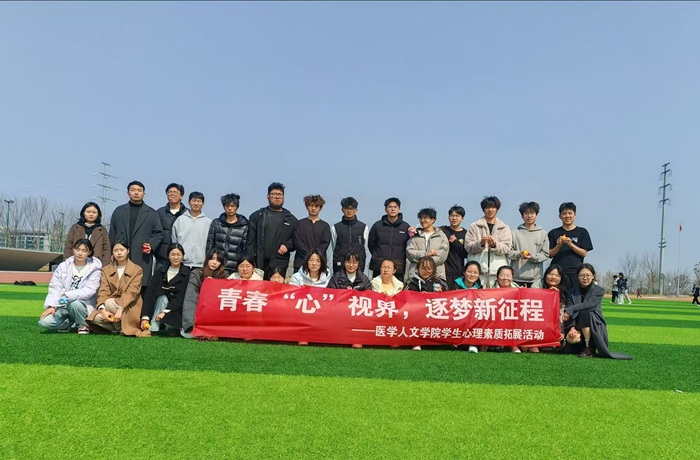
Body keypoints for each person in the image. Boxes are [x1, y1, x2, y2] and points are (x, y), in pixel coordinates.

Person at [561, 263, 632, 359]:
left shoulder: (599, 290)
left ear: (593, 276)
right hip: (575, 321)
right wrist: (572, 327)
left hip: (593, 321)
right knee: (570, 345)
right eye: (582, 275)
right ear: (577, 276)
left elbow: (588, 304)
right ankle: (578, 341)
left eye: (588, 275)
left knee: (584, 312)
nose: (585, 278)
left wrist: (570, 310)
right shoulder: (572, 292)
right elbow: (569, 307)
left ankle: (589, 346)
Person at [108, 181, 164, 293]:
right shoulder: (119, 211)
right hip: (121, 255)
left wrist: (151, 245)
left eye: (139, 190)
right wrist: (111, 252)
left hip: (142, 256)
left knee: (141, 287)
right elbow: (112, 233)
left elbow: (158, 233)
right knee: (119, 286)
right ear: (128, 193)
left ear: (144, 194)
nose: (136, 193)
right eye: (133, 190)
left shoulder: (152, 213)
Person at [85, 240, 149, 337]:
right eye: (115, 250)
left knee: (109, 303)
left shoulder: (137, 269)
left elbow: (132, 292)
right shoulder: (106, 270)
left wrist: (120, 308)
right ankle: (121, 327)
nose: (119, 253)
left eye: (122, 250)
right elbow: (103, 291)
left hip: (129, 304)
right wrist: (102, 310)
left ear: (128, 251)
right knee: (96, 318)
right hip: (111, 307)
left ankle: (122, 327)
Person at [40, 238, 102, 334]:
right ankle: (67, 324)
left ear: (89, 252)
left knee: (75, 304)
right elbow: (55, 287)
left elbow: (89, 290)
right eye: (78, 249)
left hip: (82, 305)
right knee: (45, 322)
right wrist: (52, 306)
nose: (80, 253)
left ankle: (82, 325)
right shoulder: (63, 266)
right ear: (73, 249)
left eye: (84, 250)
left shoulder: (95, 269)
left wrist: (67, 295)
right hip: (62, 304)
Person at [247, 182, 297, 273]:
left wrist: (287, 245)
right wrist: (250, 262)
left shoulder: (291, 219)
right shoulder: (257, 216)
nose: (277, 197)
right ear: (268, 196)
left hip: (279, 263)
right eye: (274, 194)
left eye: (280, 194)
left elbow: (296, 240)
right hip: (258, 263)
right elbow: (250, 242)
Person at [141, 243, 191, 334]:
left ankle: (168, 326)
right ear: (168, 256)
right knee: (162, 298)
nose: (176, 257)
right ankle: (154, 327)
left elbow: (182, 297)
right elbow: (149, 294)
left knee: (171, 324)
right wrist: (145, 317)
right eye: (173, 254)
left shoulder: (187, 274)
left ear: (183, 256)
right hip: (159, 306)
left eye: (178, 255)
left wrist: (165, 311)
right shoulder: (160, 272)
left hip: (176, 309)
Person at [465, 196, 513, 288]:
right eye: (487, 207)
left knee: (496, 296)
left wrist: (495, 245)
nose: (490, 210)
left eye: (493, 207)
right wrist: (480, 243)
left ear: (497, 209)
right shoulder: (474, 226)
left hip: (497, 272)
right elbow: (468, 246)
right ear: (483, 209)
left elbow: (507, 248)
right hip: (478, 272)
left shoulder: (504, 227)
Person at [180, 249, 228, 339]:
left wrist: (214, 286)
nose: (214, 262)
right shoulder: (197, 274)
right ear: (207, 259)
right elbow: (190, 299)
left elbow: (224, 300)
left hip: (215, 313)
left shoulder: (225, 275)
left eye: (218, 260)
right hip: (199, 311)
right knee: (187, 334)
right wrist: (191, 324)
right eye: (212, 259)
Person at [548, 202, 593, 290]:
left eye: (570, 213)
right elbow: (550, 254)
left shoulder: (582, 232)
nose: (567, 216)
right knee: (557, 296)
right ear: (560, 216)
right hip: (557, 273)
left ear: (575, 215)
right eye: (564, 213)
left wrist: (571, 244)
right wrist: (558, 245)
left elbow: (584, 253)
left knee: (575, 296)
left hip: (575, 272)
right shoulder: (553, 233)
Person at [507, 202, 549, 288]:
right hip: (516, 278)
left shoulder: (543, 233)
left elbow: (545, 254)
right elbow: (508, 252)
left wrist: (532, 256)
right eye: (526, 213)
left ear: (536, 215)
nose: (529, 216)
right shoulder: (514, 233)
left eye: (532, 213)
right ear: (522, 216)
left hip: (536, 279)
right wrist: (519, 254)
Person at [368, 197, 410, 280]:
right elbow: (371, 244)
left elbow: (408, 246)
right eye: (390, 207)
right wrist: (377, 256)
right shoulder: (377, 226)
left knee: (397, 288)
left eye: (395, 207)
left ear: (399, 209)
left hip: (398, 267)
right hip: (379, 267)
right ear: (385, 209)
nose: (393, 209)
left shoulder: (405, 227)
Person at [207, 193, 249, 272]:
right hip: (217, 266)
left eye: (232, 206)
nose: (229, 208)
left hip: (235, 268)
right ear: (224, 207)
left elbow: (245, 249)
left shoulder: (244, 226)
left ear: (237, 207)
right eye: (227, 206)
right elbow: (210, 245)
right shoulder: (216, 223)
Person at [405, 207, 449, 283]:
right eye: (421, 218)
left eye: (426, 218)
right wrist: (425, 254)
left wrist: (426, 265)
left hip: (437, 275)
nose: (423, 220)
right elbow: (409, 253)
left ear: (433, 220)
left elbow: (442, 256)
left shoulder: (441, 236)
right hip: (416, 275)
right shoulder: (415, 235)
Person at [63, 202, 111, 267]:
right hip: (75, 263)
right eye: (88, 212)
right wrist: (67, 261)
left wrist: (104, 265)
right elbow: (68, 245)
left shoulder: (102, 230)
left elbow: (107, 249)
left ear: (98, 214)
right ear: (83, 213)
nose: (91, 214)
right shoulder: (75, 227)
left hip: (95, 265)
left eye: (94, 212)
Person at [172, 191, 212, 270]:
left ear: (203, 204)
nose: (196, 203)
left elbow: (210, 243)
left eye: (199, 201)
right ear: (189, 202)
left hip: (201, 264)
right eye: (194, 201)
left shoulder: (208, 222)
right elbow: (174, 240)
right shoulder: (180, 220)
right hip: (182, 263)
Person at [330, 197, 369, 274]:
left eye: (352, 208)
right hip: (340, 265)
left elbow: (365, 247)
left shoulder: (363, 227)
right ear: (342, 210)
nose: (349, 211)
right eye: (346, 208)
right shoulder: (335, 227)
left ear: (356, 210)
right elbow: (334, 246)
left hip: (358, 264)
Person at [293, 194, 331, 272]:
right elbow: (297, 242)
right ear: (307, 207)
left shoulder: (325, 226)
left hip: (319, 263)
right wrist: (309, 255)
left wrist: (315, 256)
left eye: (316, 206)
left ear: (320, 208)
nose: (313, 208)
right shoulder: (299, 224)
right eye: (311, 205)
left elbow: (325, 244)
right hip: (301, 262)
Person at [155, 183, 188, 270]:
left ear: (181, 196)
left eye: (175, 192)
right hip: (162, 256)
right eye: (169, 192)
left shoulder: (187, 214)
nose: (172, 194)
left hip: (182, 257)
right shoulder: (159, 212)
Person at [452, 260, 483, 353]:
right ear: (464, 272)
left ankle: (473, 344)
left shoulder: (480, 287)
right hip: (457, 315)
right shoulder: (454, 284)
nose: (472, 275)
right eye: (469, 272)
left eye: (475, 272)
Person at [440, 205, 469, 290]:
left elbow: (466, 254)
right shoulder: (443, 230)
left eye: (457, 216)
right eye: (452, 215)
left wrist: (456, 243)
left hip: (458, 271)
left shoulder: (466, 233)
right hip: (443, 271)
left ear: (462, 218)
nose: (454, 218)